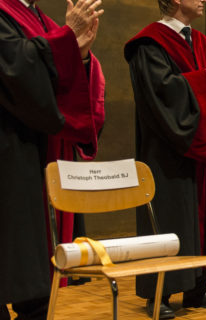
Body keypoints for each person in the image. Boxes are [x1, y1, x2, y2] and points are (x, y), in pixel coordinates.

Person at [124, 0, 206, 318]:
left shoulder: (202, 42)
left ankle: (197, 286)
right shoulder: (148, 43)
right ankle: (159, 293)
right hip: (167, 149)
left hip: (203, 147)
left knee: (202, 216)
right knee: (168, 218)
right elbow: (162, 93)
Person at [0, 0, 104, 318]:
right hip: (9, 151)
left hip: (42, 155)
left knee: (36, 282)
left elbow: (57, 75)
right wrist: (66, 38)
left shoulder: (40, 19)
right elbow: (15, 66)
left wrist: (81, 55)